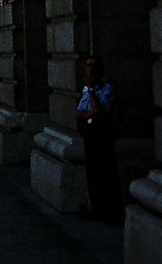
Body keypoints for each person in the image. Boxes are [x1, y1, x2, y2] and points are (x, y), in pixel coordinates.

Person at [75, 55, 123, 225]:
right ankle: (97, 208)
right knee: (92, 172)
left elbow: (98, 110)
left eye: (93, 66)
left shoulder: (107, 88)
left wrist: (91, 92)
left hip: (104, 135)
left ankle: (112, 212)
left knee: (107, 173)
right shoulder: (87, 89)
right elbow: (79, 112)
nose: (90, 69)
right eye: (87, 66)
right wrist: (90, 113)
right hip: (90, 134)